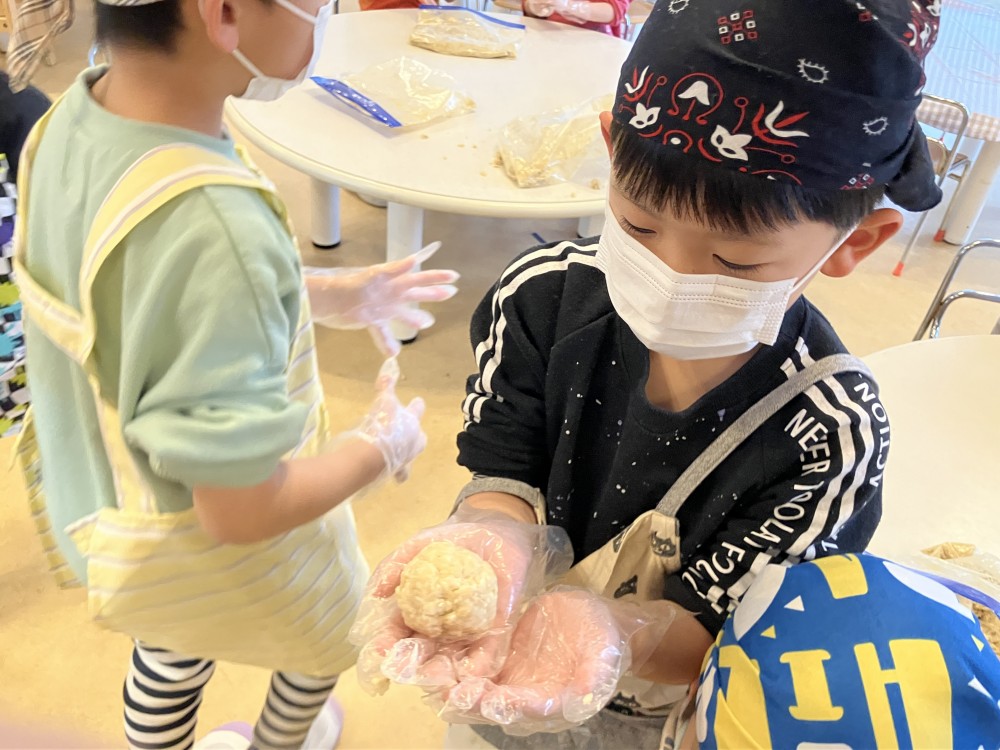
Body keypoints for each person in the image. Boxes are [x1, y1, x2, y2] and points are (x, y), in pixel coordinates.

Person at [350, 0, 947, 747]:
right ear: (610, 149)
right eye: (638, 225)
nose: (671, 276)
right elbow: (506, 464)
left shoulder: (828, 435)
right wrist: (492, 536)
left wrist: (617, 633)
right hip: (495, 657)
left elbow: (743, 634)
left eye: (735, 261)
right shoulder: (541, 300)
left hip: (660, 712)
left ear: (855, 243)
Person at [13, 0, 458, 748]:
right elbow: (241, 512)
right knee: (329, 633)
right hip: (218, 532)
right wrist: (379, 445)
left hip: (120, 515)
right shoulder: (217, 227)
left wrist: (318, 293)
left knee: (169, 640)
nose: (322, 17)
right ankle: (280, 742)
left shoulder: (71, 118)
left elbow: (146, 298)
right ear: (223, 14)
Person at [522, 0, 628, 38]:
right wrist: (532, 6)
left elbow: (614, 11)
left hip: (595, 40)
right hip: (547, 34)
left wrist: (570, 6)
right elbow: (527, 6)